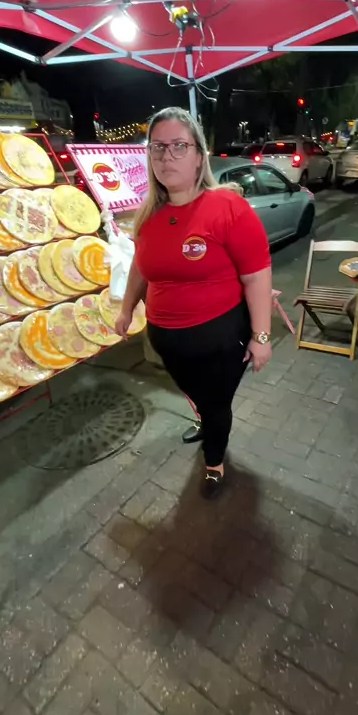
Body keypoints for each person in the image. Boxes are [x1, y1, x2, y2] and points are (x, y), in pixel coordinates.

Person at [115, 107, 272, 499]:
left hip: (221, 339)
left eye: (179, 146)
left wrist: (262, 337)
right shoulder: (149, 215)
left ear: (200, 156)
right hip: (167, 341)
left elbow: (256, 276)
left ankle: (214, 461)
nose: (166, 156)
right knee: (200, 397)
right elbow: (140, 265)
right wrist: (126, 307)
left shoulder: (228, 208)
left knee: (217, 404)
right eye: (158, 147)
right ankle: (206, 420)